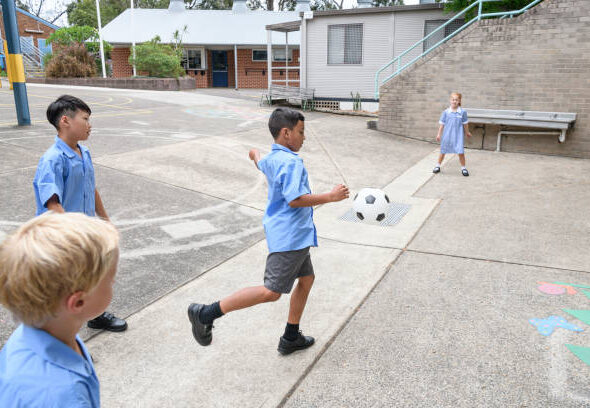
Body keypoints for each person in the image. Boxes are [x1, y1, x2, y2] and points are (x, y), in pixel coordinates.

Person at [187, 107, 349, 355]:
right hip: (291, 237)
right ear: (286, 133)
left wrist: (254, 154)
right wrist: (330, 196)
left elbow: (260, 163)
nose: (304, 138)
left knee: (306, 279)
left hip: (293, 234)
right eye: (301, 132)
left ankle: (290, 337)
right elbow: (296, 199)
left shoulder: (273, 158)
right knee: (271, 292)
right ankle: (206, 313)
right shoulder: (292, 163)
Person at [0, 213, 120, 408]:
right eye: (111, 279)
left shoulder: (36, 334)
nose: (114, 282)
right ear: (79, 302)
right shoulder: (64, 396)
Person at [32, 94, 127, 332]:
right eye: (85, 119)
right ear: (65, 121)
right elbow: (53, 204)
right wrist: (76, 236)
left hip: (83, 230)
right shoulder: (52, 159)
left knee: (91, 277)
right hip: (63, 236)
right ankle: (63, 337)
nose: (89, 124)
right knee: (65, 288)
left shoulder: (84, 153)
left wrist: (104, 220)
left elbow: (90, 187)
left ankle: (95, 314)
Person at [433, 92, 472, 176]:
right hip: (447, 135)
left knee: (460, 152)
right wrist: (439, 134)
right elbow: (442, 124)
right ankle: (438, 166)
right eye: (453, 99)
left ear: (459, 101)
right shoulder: (446, 112)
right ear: (450, 100)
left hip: (458, 136)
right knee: (443, 150)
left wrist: (467, 132)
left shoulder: (462, 112)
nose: (454, 101)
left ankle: (463, 168)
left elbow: (465, 124)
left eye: (456, 100)